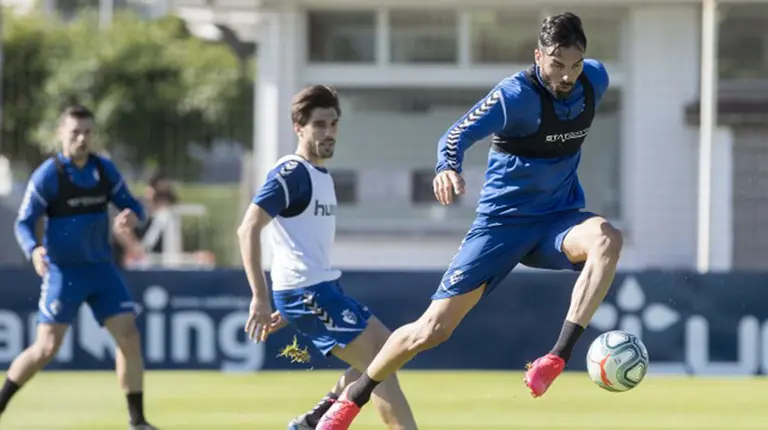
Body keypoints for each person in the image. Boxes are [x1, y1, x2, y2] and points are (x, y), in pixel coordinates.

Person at [316, 12, 623, 429]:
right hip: (502, 226)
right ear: (538, 57)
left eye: (574, 64)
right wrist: (447, 166)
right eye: (556, 64)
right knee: (432, 330)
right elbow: (455, 134)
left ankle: (557, 356)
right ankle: (353, 398)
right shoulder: (515, 95)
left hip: (558, 221)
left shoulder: (595, 80)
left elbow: (584, 77)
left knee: (607, 238)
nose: (567, 75)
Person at [236, 85, 418, 430]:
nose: (329, 132)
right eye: (319, 124)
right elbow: (248, 229)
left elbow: (299, 243)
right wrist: (261, 297)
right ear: (298, 127)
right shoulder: (292, 173)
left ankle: (315, 419)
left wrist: (288, 304)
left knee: (391, 351)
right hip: (308, 293)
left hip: (318, 290)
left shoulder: (318, 173)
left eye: (333, 123)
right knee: (379, 372)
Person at [4, 105, 158, 430]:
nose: (82, 138)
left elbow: (133, 205)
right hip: (64, 272)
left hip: (101, 270)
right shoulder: (50, 175)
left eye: (87, 132)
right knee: (46, 348)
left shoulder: (103, 170)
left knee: (129, 337)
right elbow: (24, 223)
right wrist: (34, 250)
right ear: (61, 133)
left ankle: (138, 421)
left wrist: (133, 215)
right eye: (75, 132)